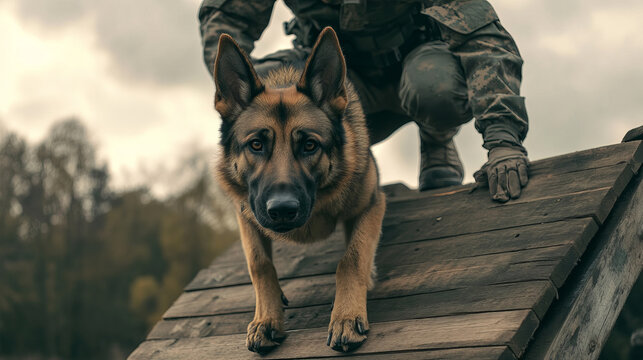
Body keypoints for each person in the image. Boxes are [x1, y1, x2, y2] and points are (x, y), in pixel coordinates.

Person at [198, 0, 530, 202]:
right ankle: (307, 164)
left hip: (415, 63)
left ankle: (436, 138)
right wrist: (249, 109)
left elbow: (483, 38)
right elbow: (226, 21)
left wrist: (503, 140)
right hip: (335, 79)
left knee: (436, 89)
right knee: (277, 84)